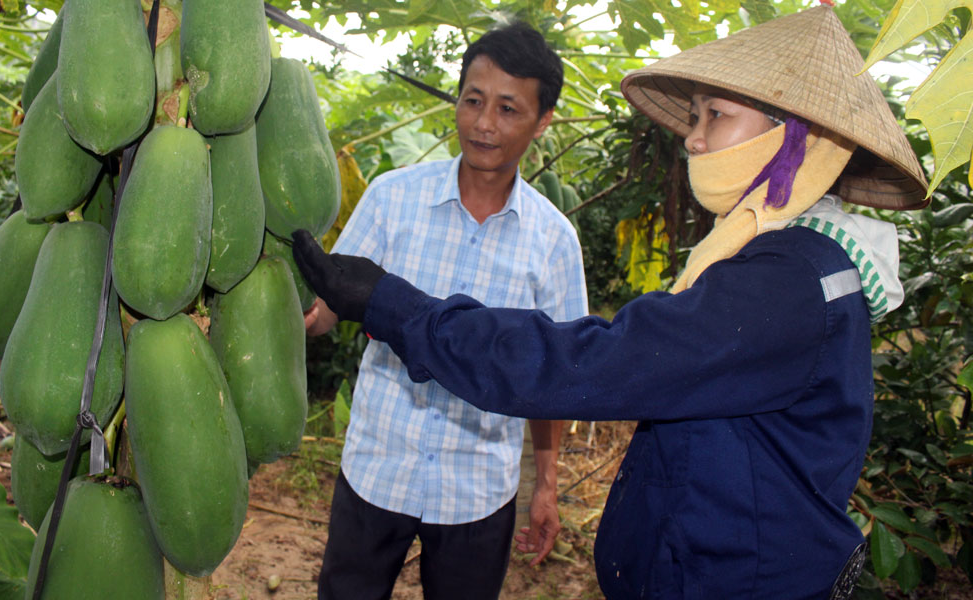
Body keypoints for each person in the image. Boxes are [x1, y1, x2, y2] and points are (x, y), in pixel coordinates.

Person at [292, 5, 930, 599]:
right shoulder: (788, 262)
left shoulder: (785, 286)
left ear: (796, 138)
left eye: (715, 115)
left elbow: (584, 364)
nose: (694, 140)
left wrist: (396, 308)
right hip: (383, 474)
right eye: (696, 115)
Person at [305, 22, 588, 600]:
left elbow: (555, 377)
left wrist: (546, 485)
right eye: (472, 101)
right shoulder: (391, 198)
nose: (484, 123)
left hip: (477, 490)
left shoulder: (554, 241)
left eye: (508, 109)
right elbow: (327, 309)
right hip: (376, 471)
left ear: (542, 120)